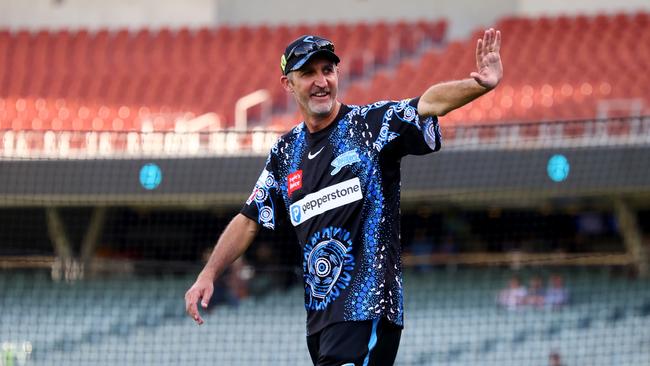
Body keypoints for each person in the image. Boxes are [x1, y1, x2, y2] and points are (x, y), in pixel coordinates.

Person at [185, 28, 503, 365]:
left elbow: (428, 103)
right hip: (320, 321)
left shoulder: (370, 126)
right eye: (308, 73)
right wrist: (208, 274)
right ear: (288, 84)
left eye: (328, 70)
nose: (321, 81)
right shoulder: (284, 151)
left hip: (368, 307)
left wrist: (479, 84)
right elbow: (250, 219)